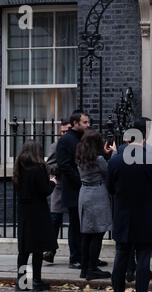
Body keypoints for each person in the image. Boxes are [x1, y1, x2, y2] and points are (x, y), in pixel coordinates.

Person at [108, 119, 152, 292]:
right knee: (143, 258)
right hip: (146, 215)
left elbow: (109, 188)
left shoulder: (116, 160)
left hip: (123, 215)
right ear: (145, 135)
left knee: (121, 257)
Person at [13, 140, 57, 292]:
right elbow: (45, 191)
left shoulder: (19, 167)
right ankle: (36, 281)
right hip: (37, 212)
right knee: (37, 248)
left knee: (24, 249)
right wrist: (52, 182)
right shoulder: (38, 169)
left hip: (24, 212)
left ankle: (22, 281)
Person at [76, 130, 112, 280]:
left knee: (86, 234)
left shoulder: (80, 157)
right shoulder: (99, 160)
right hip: (97, 194)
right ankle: (92, 268)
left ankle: (84, 268)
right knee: (97, 233)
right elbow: (108, 174)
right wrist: (109, 155)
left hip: (84, 193)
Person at [56, 110, 89, 269]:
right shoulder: (66, 140)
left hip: (85, 188)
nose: (88, 125)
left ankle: (87, 257)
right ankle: (75, 258)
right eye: (85, 122)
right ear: (75, 123)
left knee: (87, 225)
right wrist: (81, 181)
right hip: (74, 189)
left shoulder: (83, 138)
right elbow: (64, 165)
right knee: (76, 225)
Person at [43, 120, 71, 264]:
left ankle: (76, 256)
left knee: (76, 223)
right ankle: (50, 250)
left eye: (67, 131)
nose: (65, 134)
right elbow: (49, 166)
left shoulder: (76, 144)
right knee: (55, 220)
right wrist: (61, 168)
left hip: (74, 186)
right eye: (63, 132)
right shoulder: (55, 146)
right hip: (59, 186)